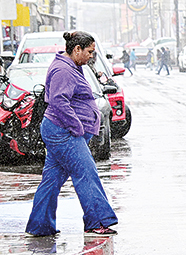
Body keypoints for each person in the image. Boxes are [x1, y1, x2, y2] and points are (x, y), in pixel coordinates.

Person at [25, 31, 118, 237]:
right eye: (89, 52)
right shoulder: (63, 70)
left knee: (52, 179)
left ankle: (40, 225)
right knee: (86, 174)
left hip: (60, 130)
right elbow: (59, 101)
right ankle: (97, 221)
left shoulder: (70, 66)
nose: (91, 56)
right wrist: (77, 127)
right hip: (64, 132)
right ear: (77, 49)